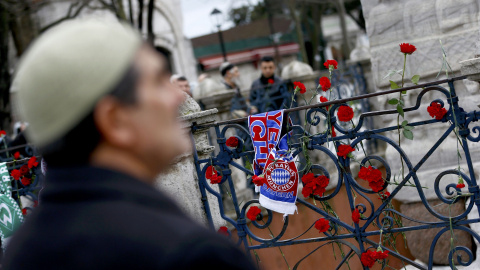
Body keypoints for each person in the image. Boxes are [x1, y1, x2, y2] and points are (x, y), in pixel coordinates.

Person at [3, 19, 257, 270]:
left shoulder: (21, 253)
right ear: (114, 120)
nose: (176, 96)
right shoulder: (193, 255)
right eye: (157, 82)